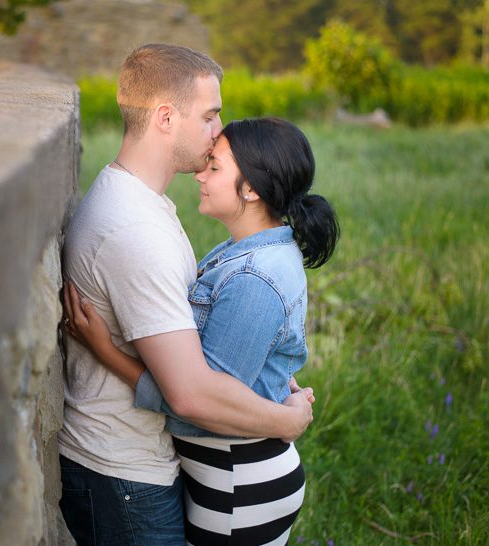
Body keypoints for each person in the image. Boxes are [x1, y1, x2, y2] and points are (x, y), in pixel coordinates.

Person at [58, 43, 316, 546]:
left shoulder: (147, 207)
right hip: (123, 472)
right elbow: (192, 394)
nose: (219, 131)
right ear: (165, 117)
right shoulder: (135, 229)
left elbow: (215, 363)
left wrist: (274, 380)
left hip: (160, 468)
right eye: (210, 115)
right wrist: (286, 420)